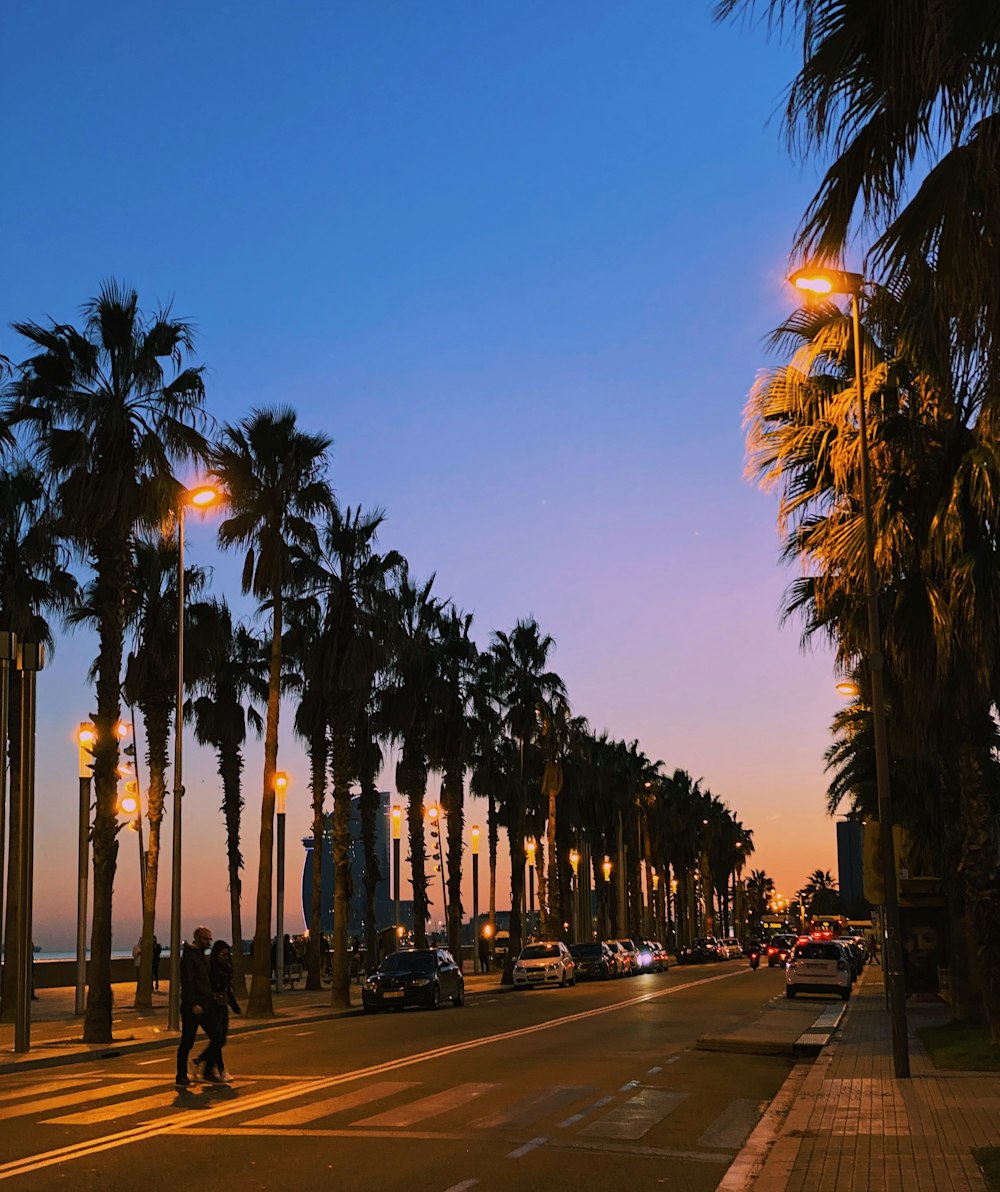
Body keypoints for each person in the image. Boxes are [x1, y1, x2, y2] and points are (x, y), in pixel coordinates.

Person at [175, 925, 223, 1087]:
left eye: (210, 939)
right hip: (193, 1007)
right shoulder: (190, 958)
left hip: (206, 1004)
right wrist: (194, 1003)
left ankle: (207, 1068)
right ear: (197, 939)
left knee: (218, 1037)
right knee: (187, 1042)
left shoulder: (201, 957)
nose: (209, 942)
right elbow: (188, 982)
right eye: (205, 939)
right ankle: (181, 1076)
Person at [194, 940, 241, 1081]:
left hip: (222, 1004)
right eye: (222, 954)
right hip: (211, 1006)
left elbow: (228, 989)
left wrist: (234, 1006)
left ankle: (204, 1064)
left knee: (221, 1039)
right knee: (217, 1038)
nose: (224, 957)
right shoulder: (210, 967)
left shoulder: (226, 968)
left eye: (227, 954)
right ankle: (220, 1070)